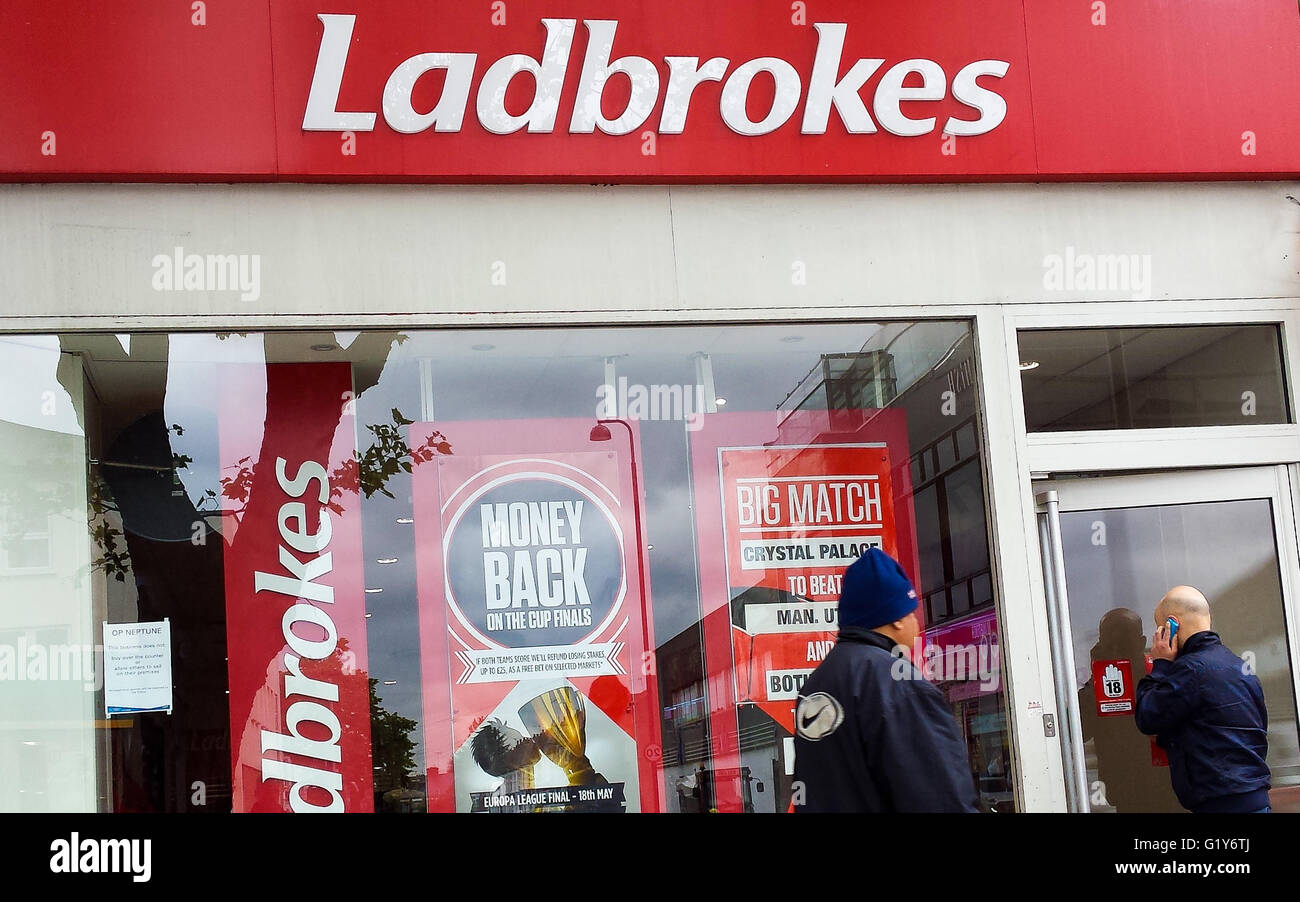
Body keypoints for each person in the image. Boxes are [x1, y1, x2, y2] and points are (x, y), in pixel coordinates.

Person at [791, 547, 980, 812]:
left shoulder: (816, 685)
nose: (916, 621)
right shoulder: (899, 685)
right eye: (912, 611)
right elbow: (941, 798)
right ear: (897, 620)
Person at [1134, 586, 1271, 813]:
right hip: (1254, 798)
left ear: (1172, 624)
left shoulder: (1189, 671)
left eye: (1161, 628)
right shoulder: (1240, 667)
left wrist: (1160, 665)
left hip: (1220, 804)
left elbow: (1148, 716)